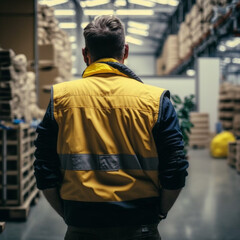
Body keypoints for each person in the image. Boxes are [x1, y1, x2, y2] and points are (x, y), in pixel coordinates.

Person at [34, 15, 189, 240]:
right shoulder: (155, 100)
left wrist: (70, 215)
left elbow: (43, 167)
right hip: (140, 224)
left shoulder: (61, 98)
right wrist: (159, 212)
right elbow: (175, 168)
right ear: (125, 51)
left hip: (81, 223)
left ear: (85, 54)